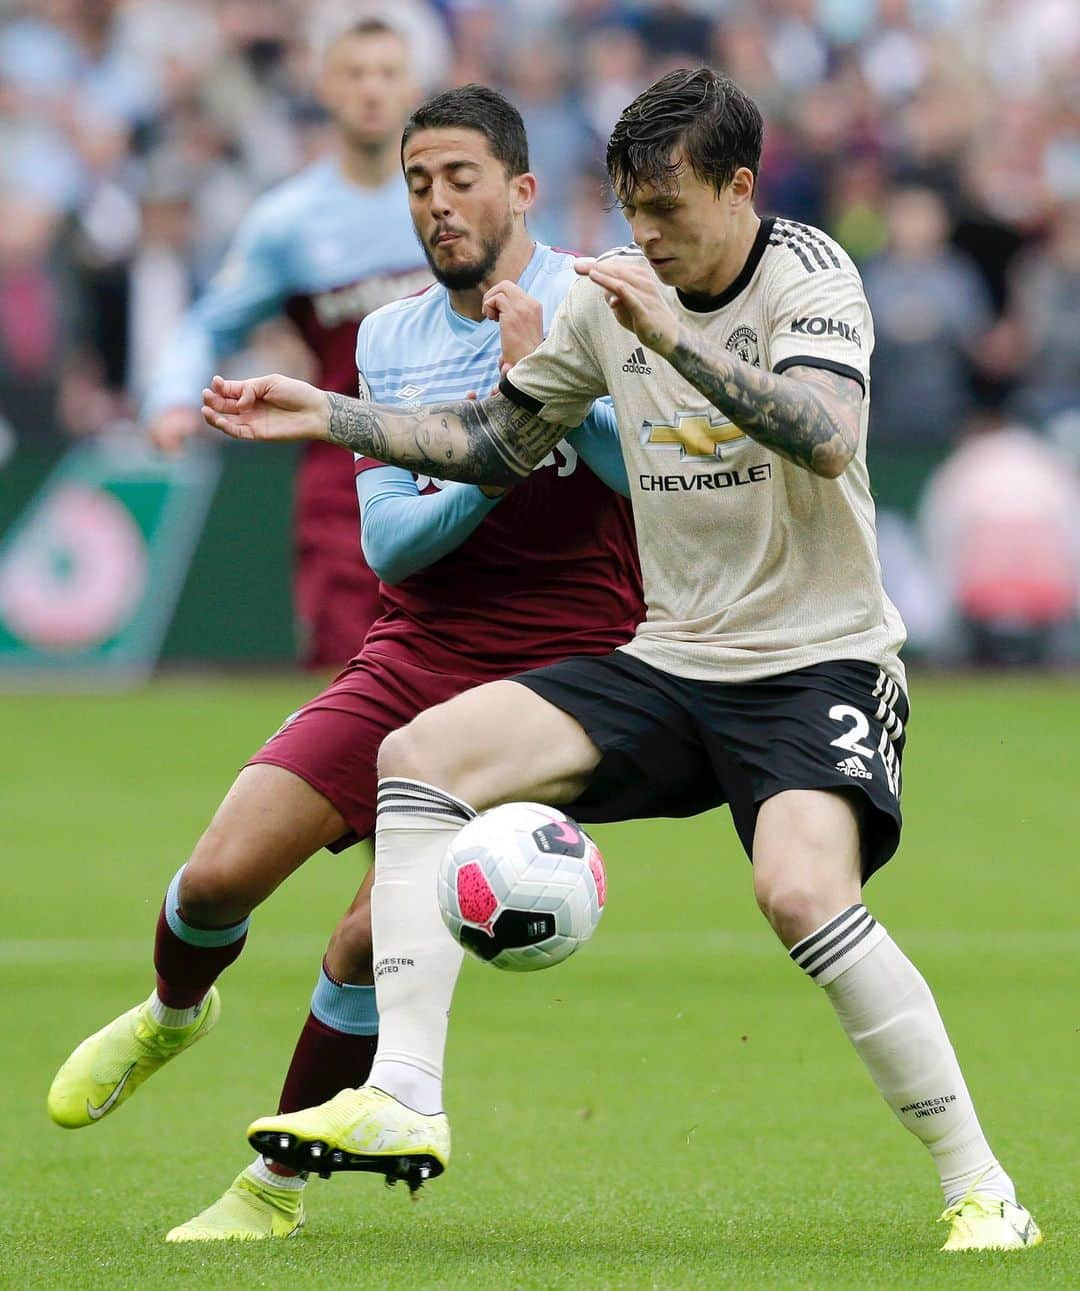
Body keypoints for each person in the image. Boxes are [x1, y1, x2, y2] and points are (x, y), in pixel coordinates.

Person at [202, 69, 1042, 1254]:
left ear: (740, 188)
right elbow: (495, 441)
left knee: (801, 892)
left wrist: (669, 340)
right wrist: (329, 411)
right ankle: (407, 1091)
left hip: (820, 662)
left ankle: (983, 1187)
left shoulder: (809, 275)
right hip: (671, 656)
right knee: (420, 752)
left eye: (670, 209)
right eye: (632, 209)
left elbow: (825, 433)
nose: (645, 235)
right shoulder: (618, 295)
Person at [46, 86, 643, 1242]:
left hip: (560, 676)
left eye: (460, 177)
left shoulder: (600, 302)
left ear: (522, 189)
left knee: (372, 935)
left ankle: (269, 1192)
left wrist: (553, 394)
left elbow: (646, 486)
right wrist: (504, 446)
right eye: (418, 184)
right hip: (416, 646)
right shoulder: (389, 338)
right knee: (217, 876)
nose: (436, 203)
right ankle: (174, 1014)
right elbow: (385, 541)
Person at [144, 17, 433, 668]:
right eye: (355, 74)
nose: (371, 90)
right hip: (346, 475)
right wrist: (169, 400)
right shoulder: (290, 221)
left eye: (387, 74)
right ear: (324, 87)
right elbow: (207, 324)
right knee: (346, 681)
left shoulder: (458, 201)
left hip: (457, 461)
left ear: (413, 87)